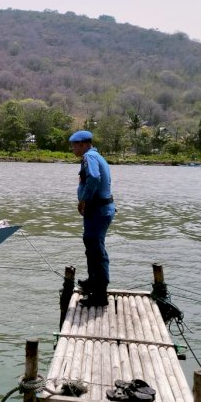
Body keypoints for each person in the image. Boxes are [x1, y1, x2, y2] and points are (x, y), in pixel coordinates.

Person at [69, 130, 115, 307]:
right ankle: (93, 281)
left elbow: (94, 178)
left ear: (82, 144)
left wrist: (83, 199)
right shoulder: (94, 156)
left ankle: (100, 295)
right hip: (97, 210)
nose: (72, 149)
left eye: (74, 145)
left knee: (96, 250)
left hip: (98, 209)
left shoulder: (90, 157)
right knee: (91, 244)